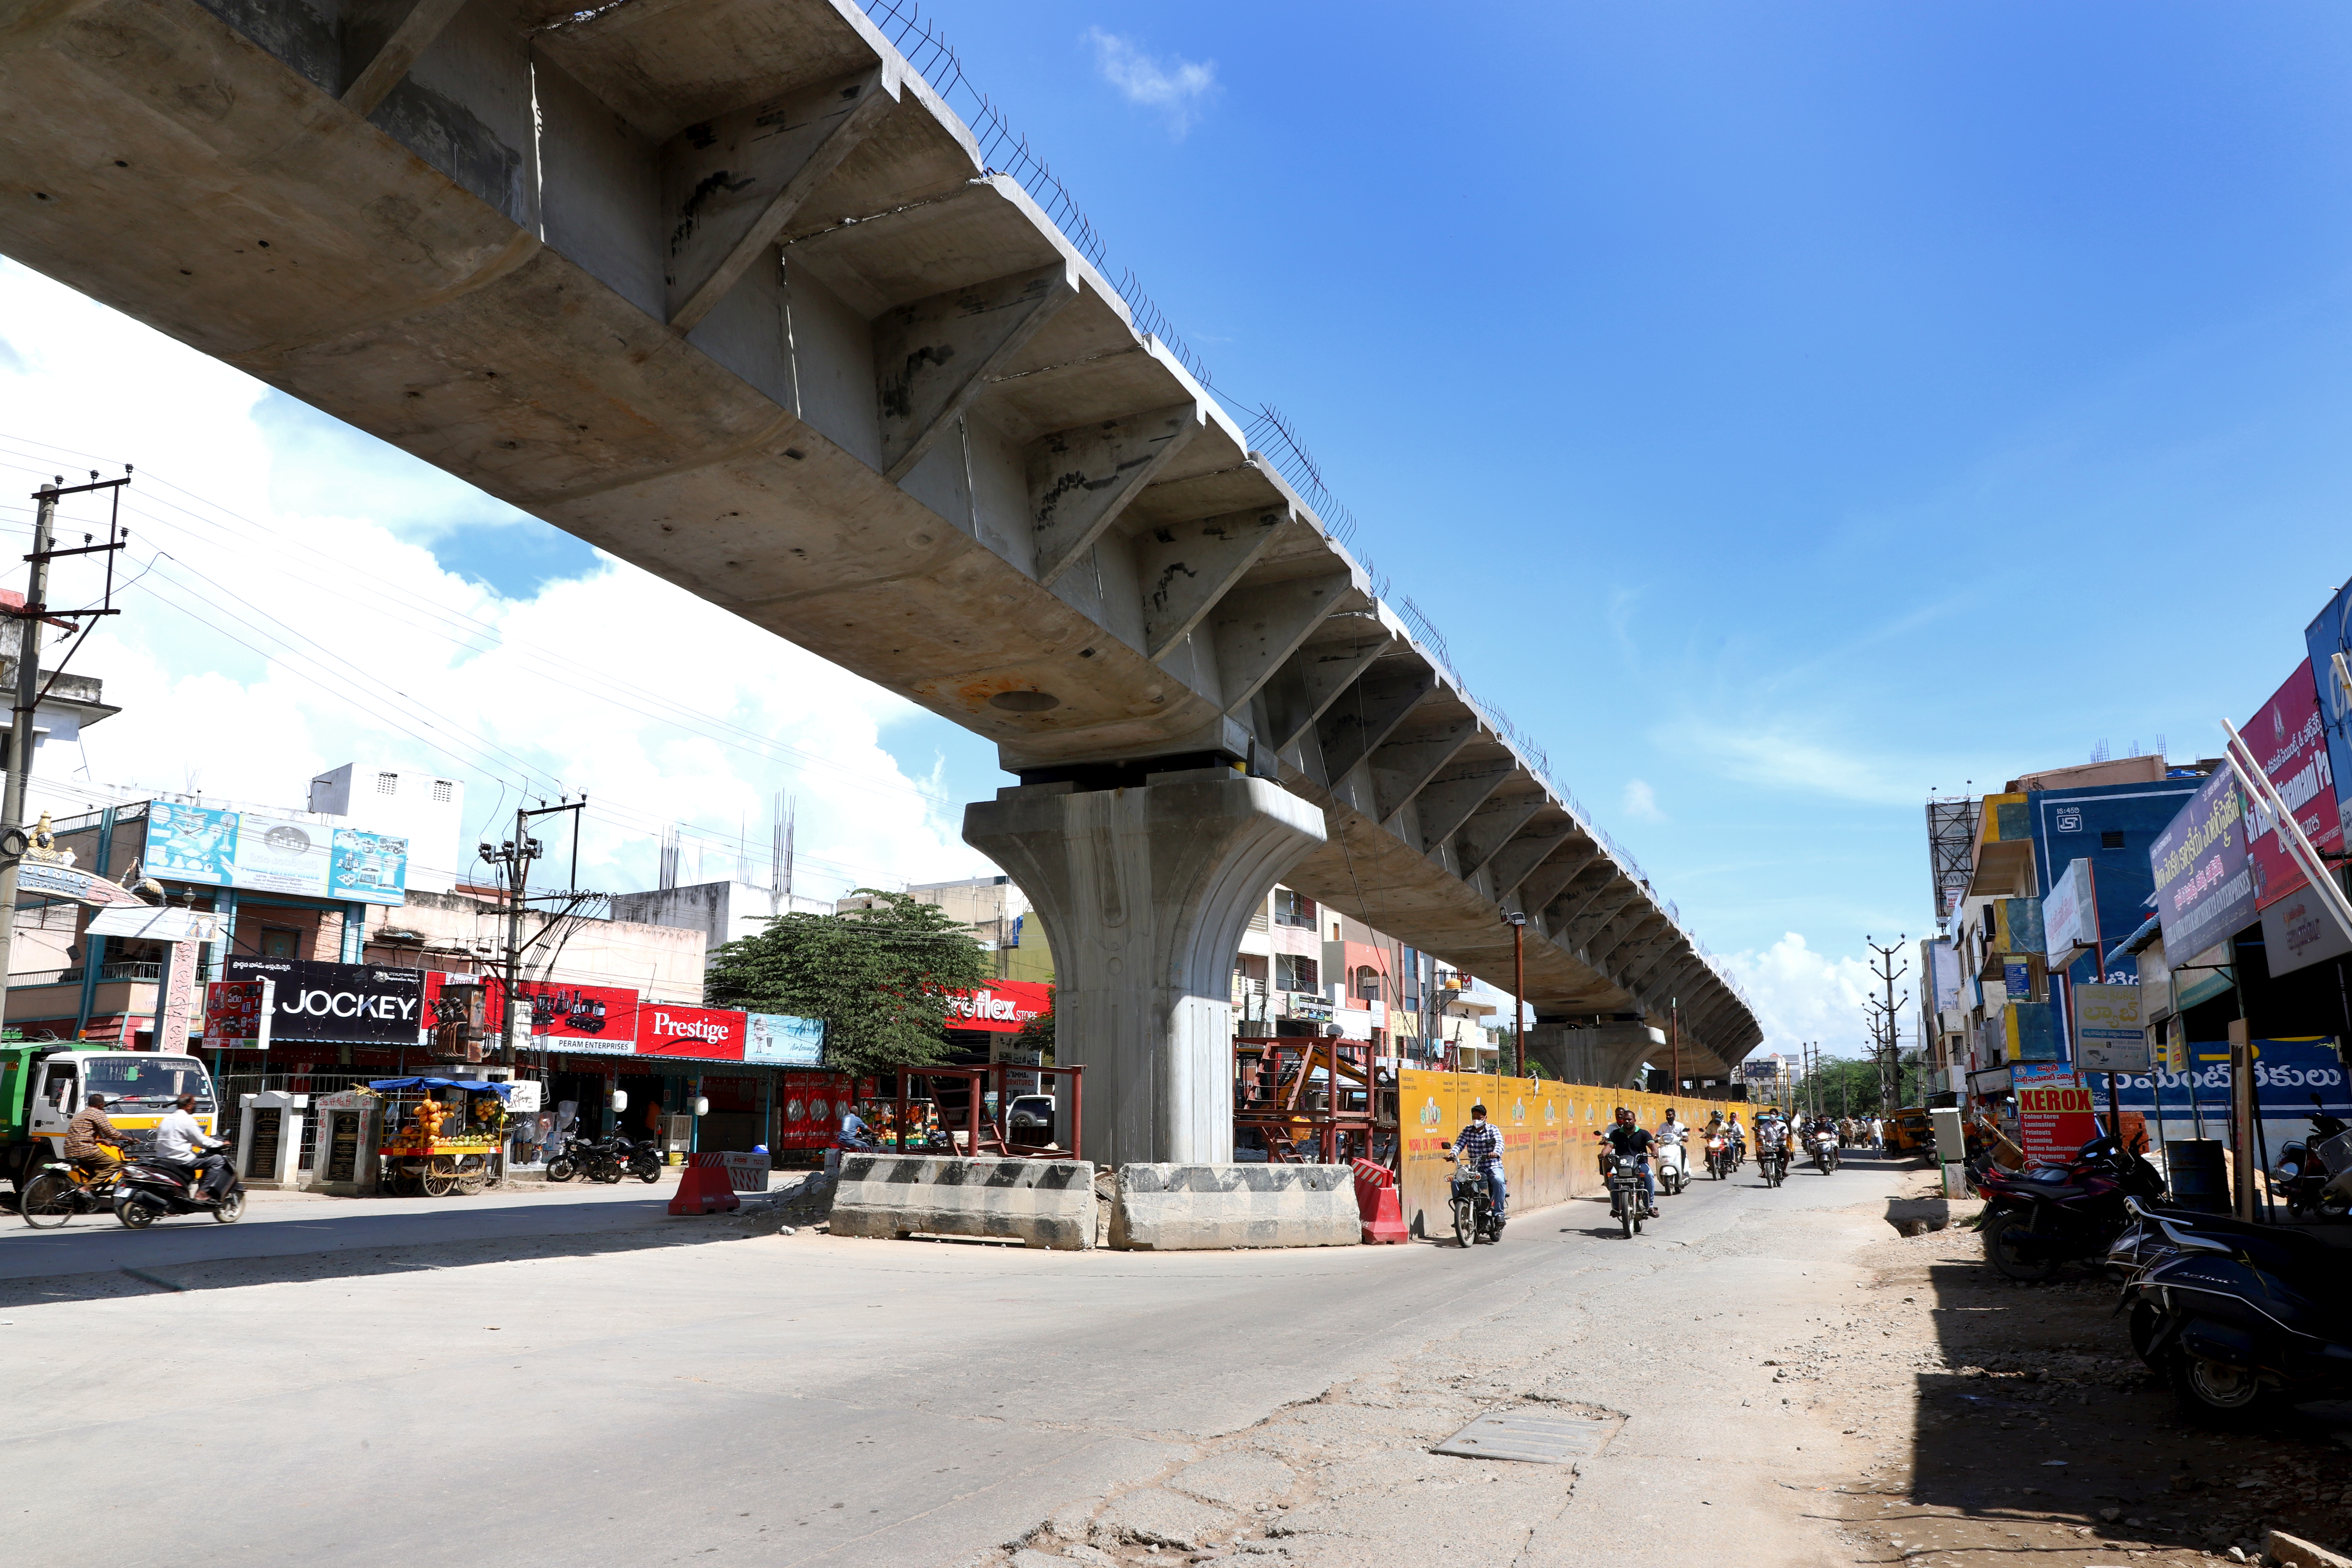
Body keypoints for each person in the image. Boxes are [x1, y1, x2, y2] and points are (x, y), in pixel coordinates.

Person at [152, 1093, 231, 1200]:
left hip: (163, 1159)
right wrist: (222, 1143)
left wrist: (190, 1142)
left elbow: (172, 1138)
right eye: (195, 1104)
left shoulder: (166, 1120)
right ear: (189, 1105)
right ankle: (202, 1192)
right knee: (217, 1160)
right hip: (181, 1160)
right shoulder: (187, 1120)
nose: (196, 1106)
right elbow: (203, 1142)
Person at [1450, 1102, 1507, 1223]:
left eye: (1479, 1118)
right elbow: (1459, 1144)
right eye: (1474, 1118)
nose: (1476, 1120)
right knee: (1456, 1180)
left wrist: (1495, 1153)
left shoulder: (1493, 1129)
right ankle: (1462, 1211)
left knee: (1499, 1181)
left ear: (1485, 1118)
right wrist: (1452, 1154)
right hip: (1475, 1168)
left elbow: (1500, 1143)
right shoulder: (1468, 1131)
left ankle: (1499, 1213)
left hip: (1492, 1165)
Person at [1597, 1106, 1657, 1216]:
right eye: (1625, 1119)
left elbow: (1651, 1143)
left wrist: (1654, 1151)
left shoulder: (1643, 1133)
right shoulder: (1616, 1134)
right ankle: (1616, 1207)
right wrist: (1604, 1153)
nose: (1627, 1121)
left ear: (1635, 1120)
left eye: (1630, 1119)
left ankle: (1650, 1206)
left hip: (1640, 1163)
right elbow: (1610, 1146)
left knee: (1649, 1175)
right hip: (1622, 1165)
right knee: (1613, 1178)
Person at [63, 1092, 130, 1182]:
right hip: (84, 1150)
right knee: (115, 1165)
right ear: (101, 1104)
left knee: (95, 1175)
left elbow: (82, 1135)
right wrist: (130, 1139)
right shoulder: (97, 1113)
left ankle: (86, 1193)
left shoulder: (82, 1114)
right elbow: (111, 1134)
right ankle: (87, 1189)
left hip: (70, 1150)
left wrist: (101, 1140)